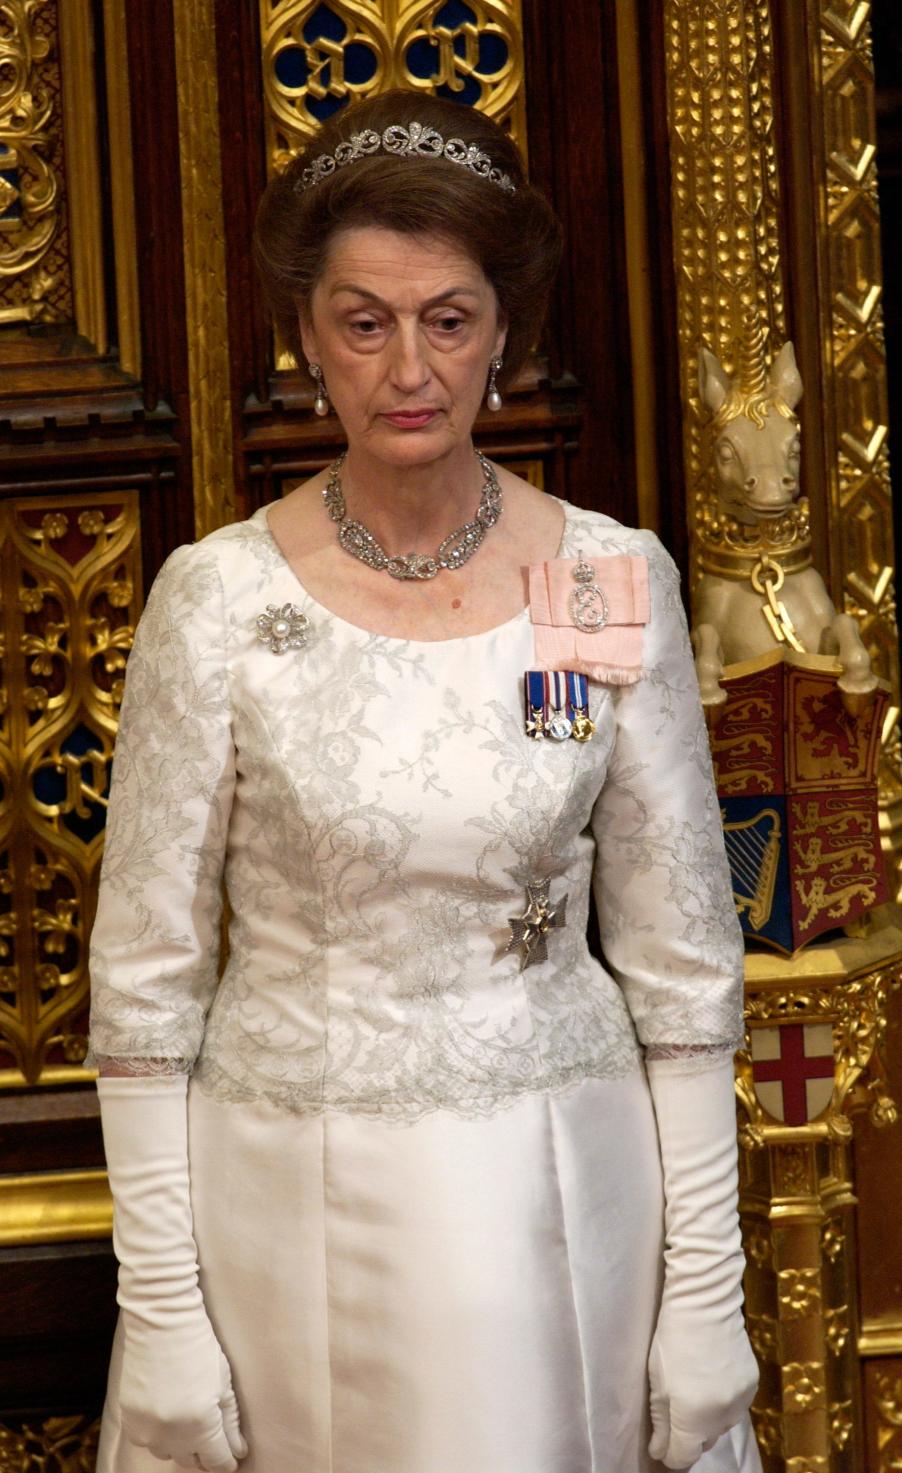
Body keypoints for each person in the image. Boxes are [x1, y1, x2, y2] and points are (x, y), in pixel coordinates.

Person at [88, 88, 761, 1473]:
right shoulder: (214, 602)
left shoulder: (602, 572)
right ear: (305, 339)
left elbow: (685, 965)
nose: (410, 366)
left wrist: (705, 1292)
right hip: (283, 1211)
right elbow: (145, 990)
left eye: (447, 319)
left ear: (503, 331)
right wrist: (157, 1305)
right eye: (365, 320)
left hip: (562, 1199)